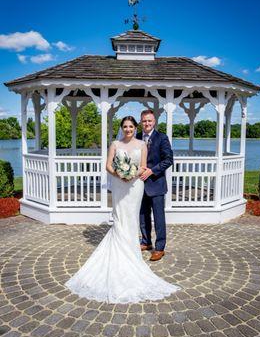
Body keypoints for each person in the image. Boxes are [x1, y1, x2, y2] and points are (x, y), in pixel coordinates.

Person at [65, 116, 180, 303]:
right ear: (125, 127)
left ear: (150, 123)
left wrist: (134, 173)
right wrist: (120, 173)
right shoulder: (116, 144)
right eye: (126, 126)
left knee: (151, 216)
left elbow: (151, 163)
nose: (129, 129)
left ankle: (159, 247)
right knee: (128, 217)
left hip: (141, 183)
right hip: (121, 185)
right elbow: (108, 165)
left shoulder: (152, 141)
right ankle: (141, 243)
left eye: (132, 126)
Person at [136, 109, 173, 261]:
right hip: (139, 185)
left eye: (149, 120)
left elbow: (168, 160)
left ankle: (159, 248)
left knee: (158, 217)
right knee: (142, 215)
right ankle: (146, 241)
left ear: (154, 121)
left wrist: (152, 171)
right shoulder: (136, 138)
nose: (147, 123)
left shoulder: (162, 138)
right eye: (144, 121)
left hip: (156, 184)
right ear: (140, 122)